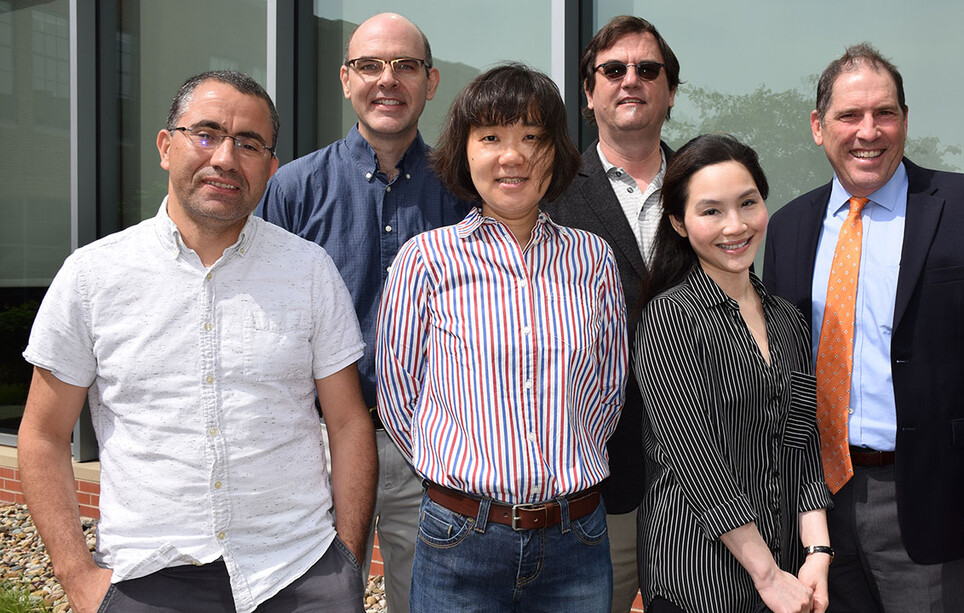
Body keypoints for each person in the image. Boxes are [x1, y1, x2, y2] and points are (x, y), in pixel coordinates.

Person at [17, 71, 376, 613]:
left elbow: (348, 422)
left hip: (298, 570)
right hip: (148, 574)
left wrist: (345, 562)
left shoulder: (308, 270)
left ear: (270, 169)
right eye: (205, 134)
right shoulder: (92, 276)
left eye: (249, 144)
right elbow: (43, 433)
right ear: (166, 146)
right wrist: (76, 577)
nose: (226, 158)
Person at [763, 43, 964, 612]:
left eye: (884, 113)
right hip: (817, 501)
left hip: (930, 499)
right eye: (849, 115)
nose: (869, 131)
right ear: (819, 127)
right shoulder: (789, 226)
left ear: (905, 122)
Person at [376, 63, 628, 612]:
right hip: (460, 540)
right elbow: (398, 394)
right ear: (464, 150)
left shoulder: (592, 258)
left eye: (532, 138)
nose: (512, 156)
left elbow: (608, 390)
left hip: (576, 538)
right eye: (490, 137)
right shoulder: (426, 259)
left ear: (556, 152)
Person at [256, 13, 469, 612]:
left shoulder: (461, 189)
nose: (387, 80)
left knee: (423, 599)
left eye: (405, 66)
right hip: (316, 441)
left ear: (430, 82)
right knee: (312, 596)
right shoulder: (293, 189)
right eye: (371, 66)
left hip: (427, 447)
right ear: (346, 79)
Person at [634, 134, 832, 613]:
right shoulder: (671, 317)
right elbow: (696, 460)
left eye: (748, 203)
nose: (736, 225)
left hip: (787, 570)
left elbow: (801, 441)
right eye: (711, 211)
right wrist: (767, 577)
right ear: (679, 223)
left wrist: (818, 553)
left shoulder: (787, 319)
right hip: (699, 575)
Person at [540, 16, 679, 611]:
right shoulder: (551, 193)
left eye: (648, 70)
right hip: (597, 473)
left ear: (670, 92)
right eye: (613, 70)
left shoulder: (707, 184)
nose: (631, 81)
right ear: (589, 92)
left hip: (701, 471)